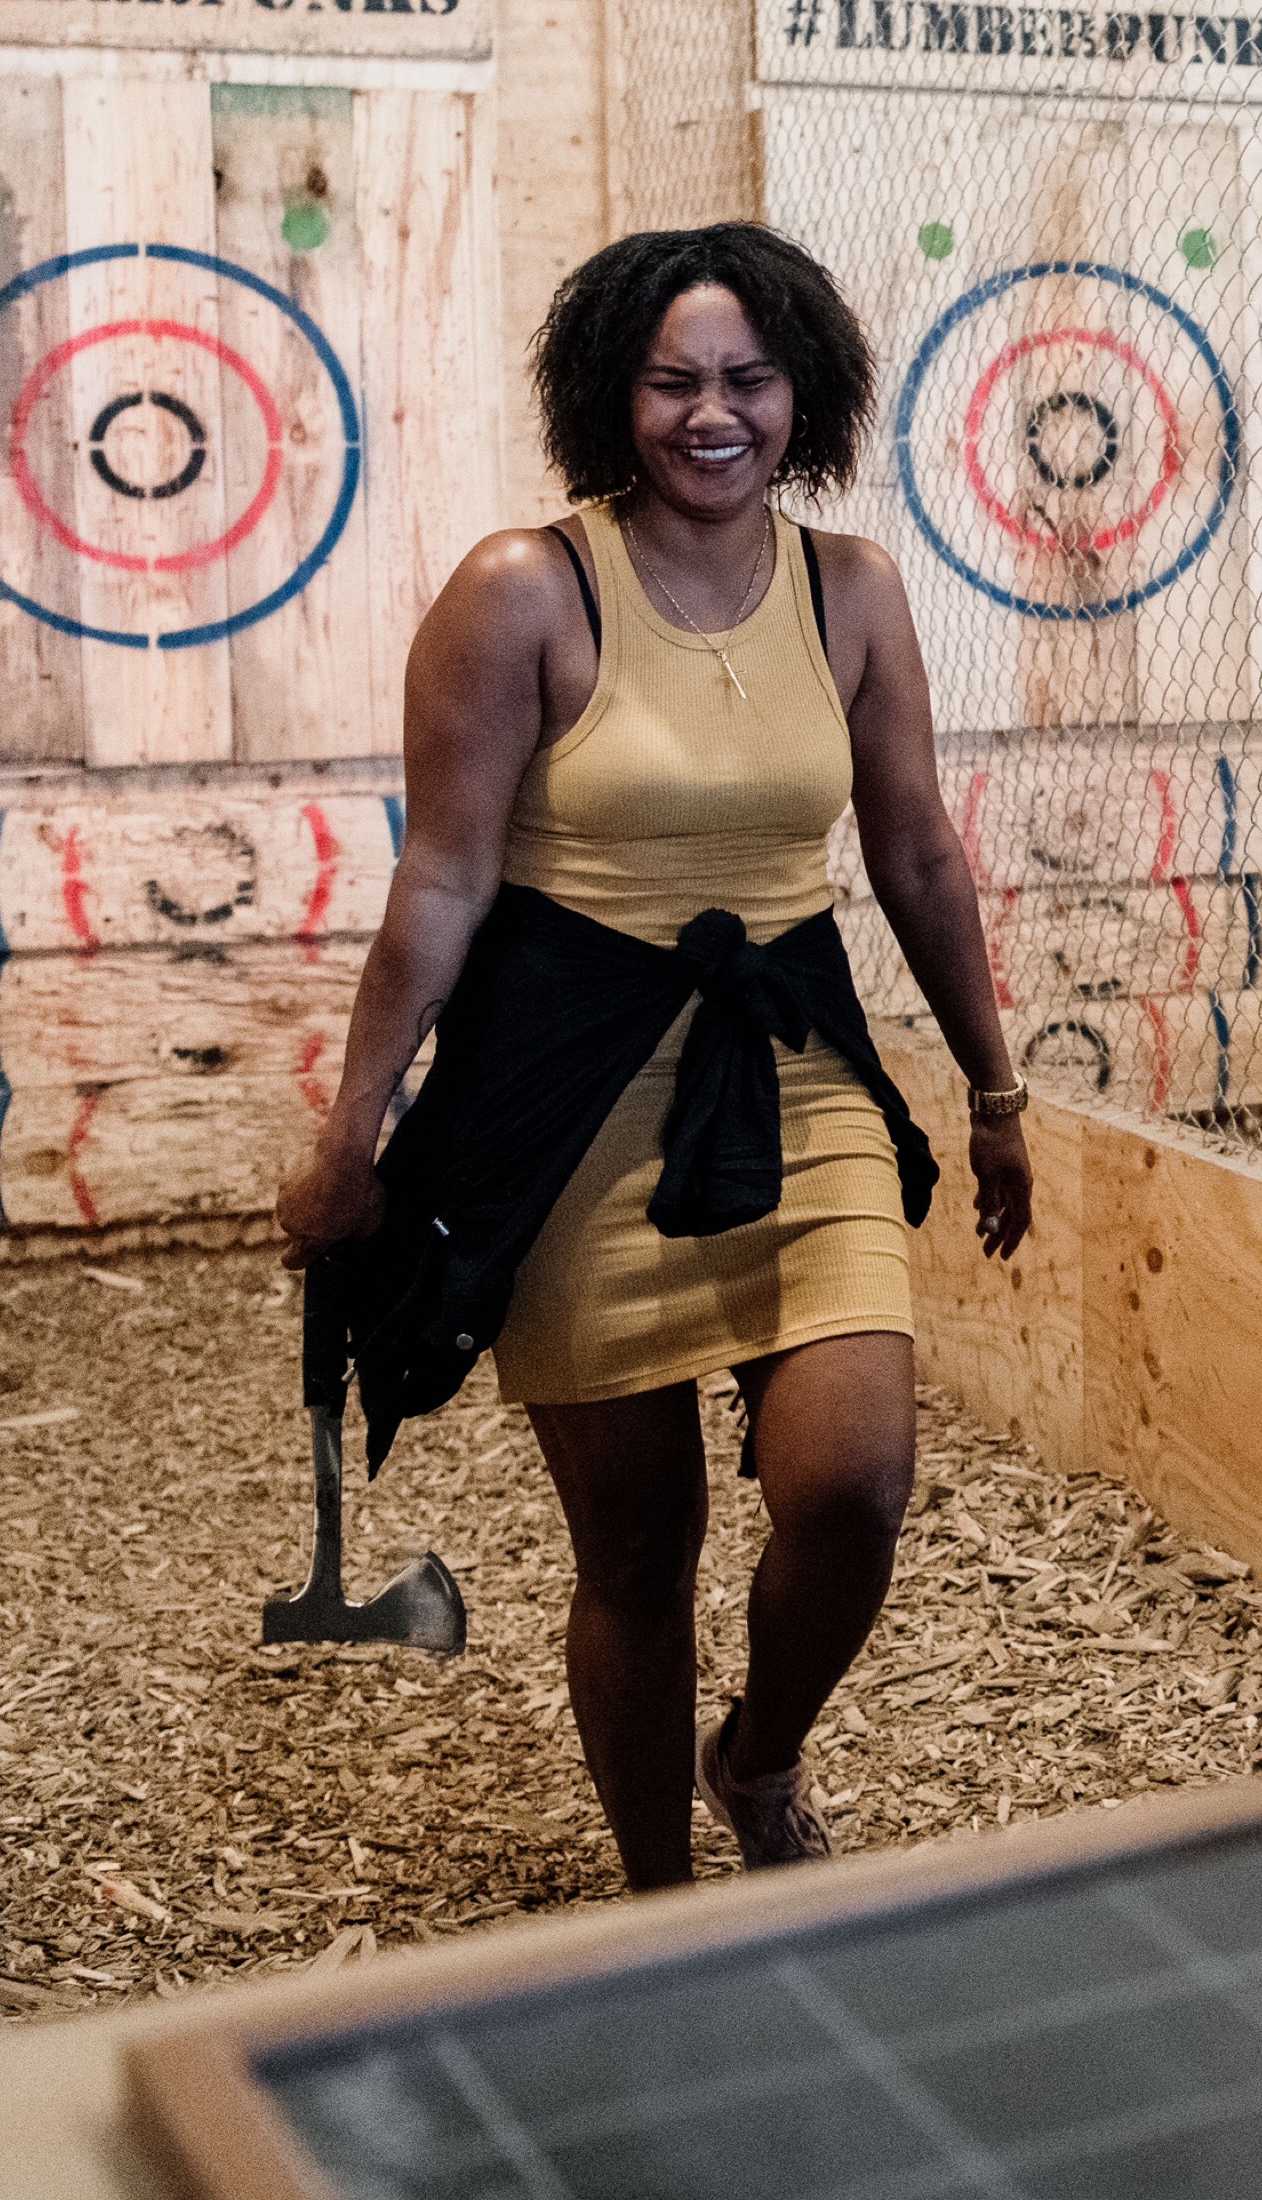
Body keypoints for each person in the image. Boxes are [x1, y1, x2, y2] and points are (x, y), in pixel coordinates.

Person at [278, 224, 1035, 1891]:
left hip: (794, 1068)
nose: (713, 413)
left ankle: (755, 1753)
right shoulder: (522, 589)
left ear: (803, 391)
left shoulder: (853, 589)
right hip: (568, 1100)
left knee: (853, 1484)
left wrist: (994, 1094)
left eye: (748, 379)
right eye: (672, 379)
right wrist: (351, 1136)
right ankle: (656, 1900)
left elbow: (916, 851)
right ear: (609, 396)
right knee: (638, 1547)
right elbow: (443, 880)